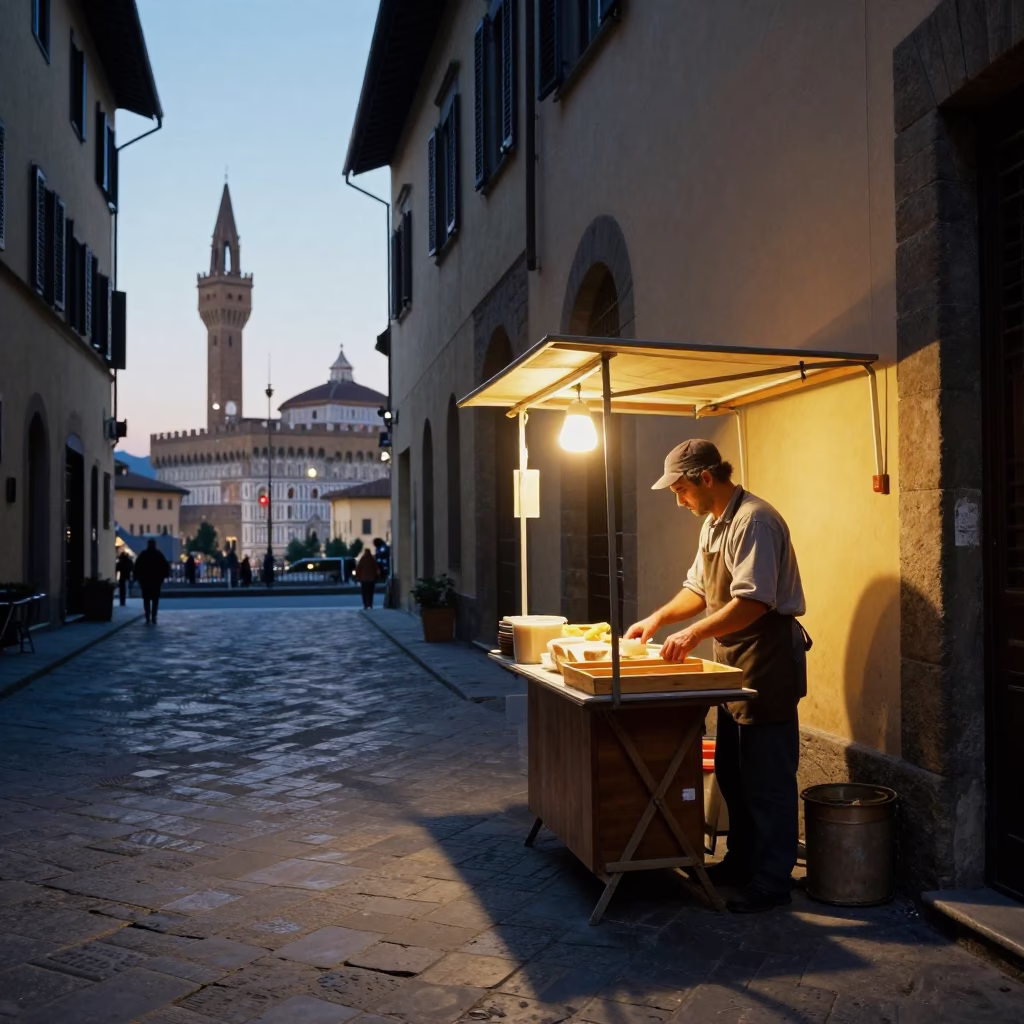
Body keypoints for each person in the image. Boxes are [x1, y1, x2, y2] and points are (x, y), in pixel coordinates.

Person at [626, 439, 808, 914]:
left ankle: (771, 881)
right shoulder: (713, 524)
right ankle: (741, 863)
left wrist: (691, 636)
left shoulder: (755, 521)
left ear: (706, 478)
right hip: (731, 663)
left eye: (681, 489)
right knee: (733, 771)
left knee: (767, 778)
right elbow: (697, 589)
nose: (678, 499)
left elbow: (751, 602)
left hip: (766, 662)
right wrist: (658, 620)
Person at [133, 538, 171, 625]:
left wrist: (137, 578)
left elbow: (137, 566)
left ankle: (148, 616)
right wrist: (163, 577)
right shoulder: (158, 554)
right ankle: (153, 616)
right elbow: (165, 567)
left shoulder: (144, 555)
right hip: (156, 581)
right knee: (155, 600)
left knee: (146, 599)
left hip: (145, 581)